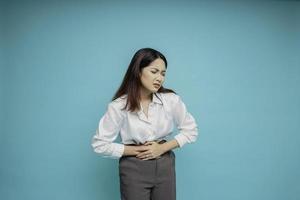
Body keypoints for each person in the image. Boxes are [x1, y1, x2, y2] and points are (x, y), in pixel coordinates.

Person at [91, 47, 198, 200]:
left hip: (165, 166)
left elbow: (191, 131)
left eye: (163, 73)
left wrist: (161, 148)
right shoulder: (119, 106)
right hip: (133, 168)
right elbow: (99, 144)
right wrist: (139, 151)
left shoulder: (171, 100)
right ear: (138, 71)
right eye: (154, 71)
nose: (159, 78)